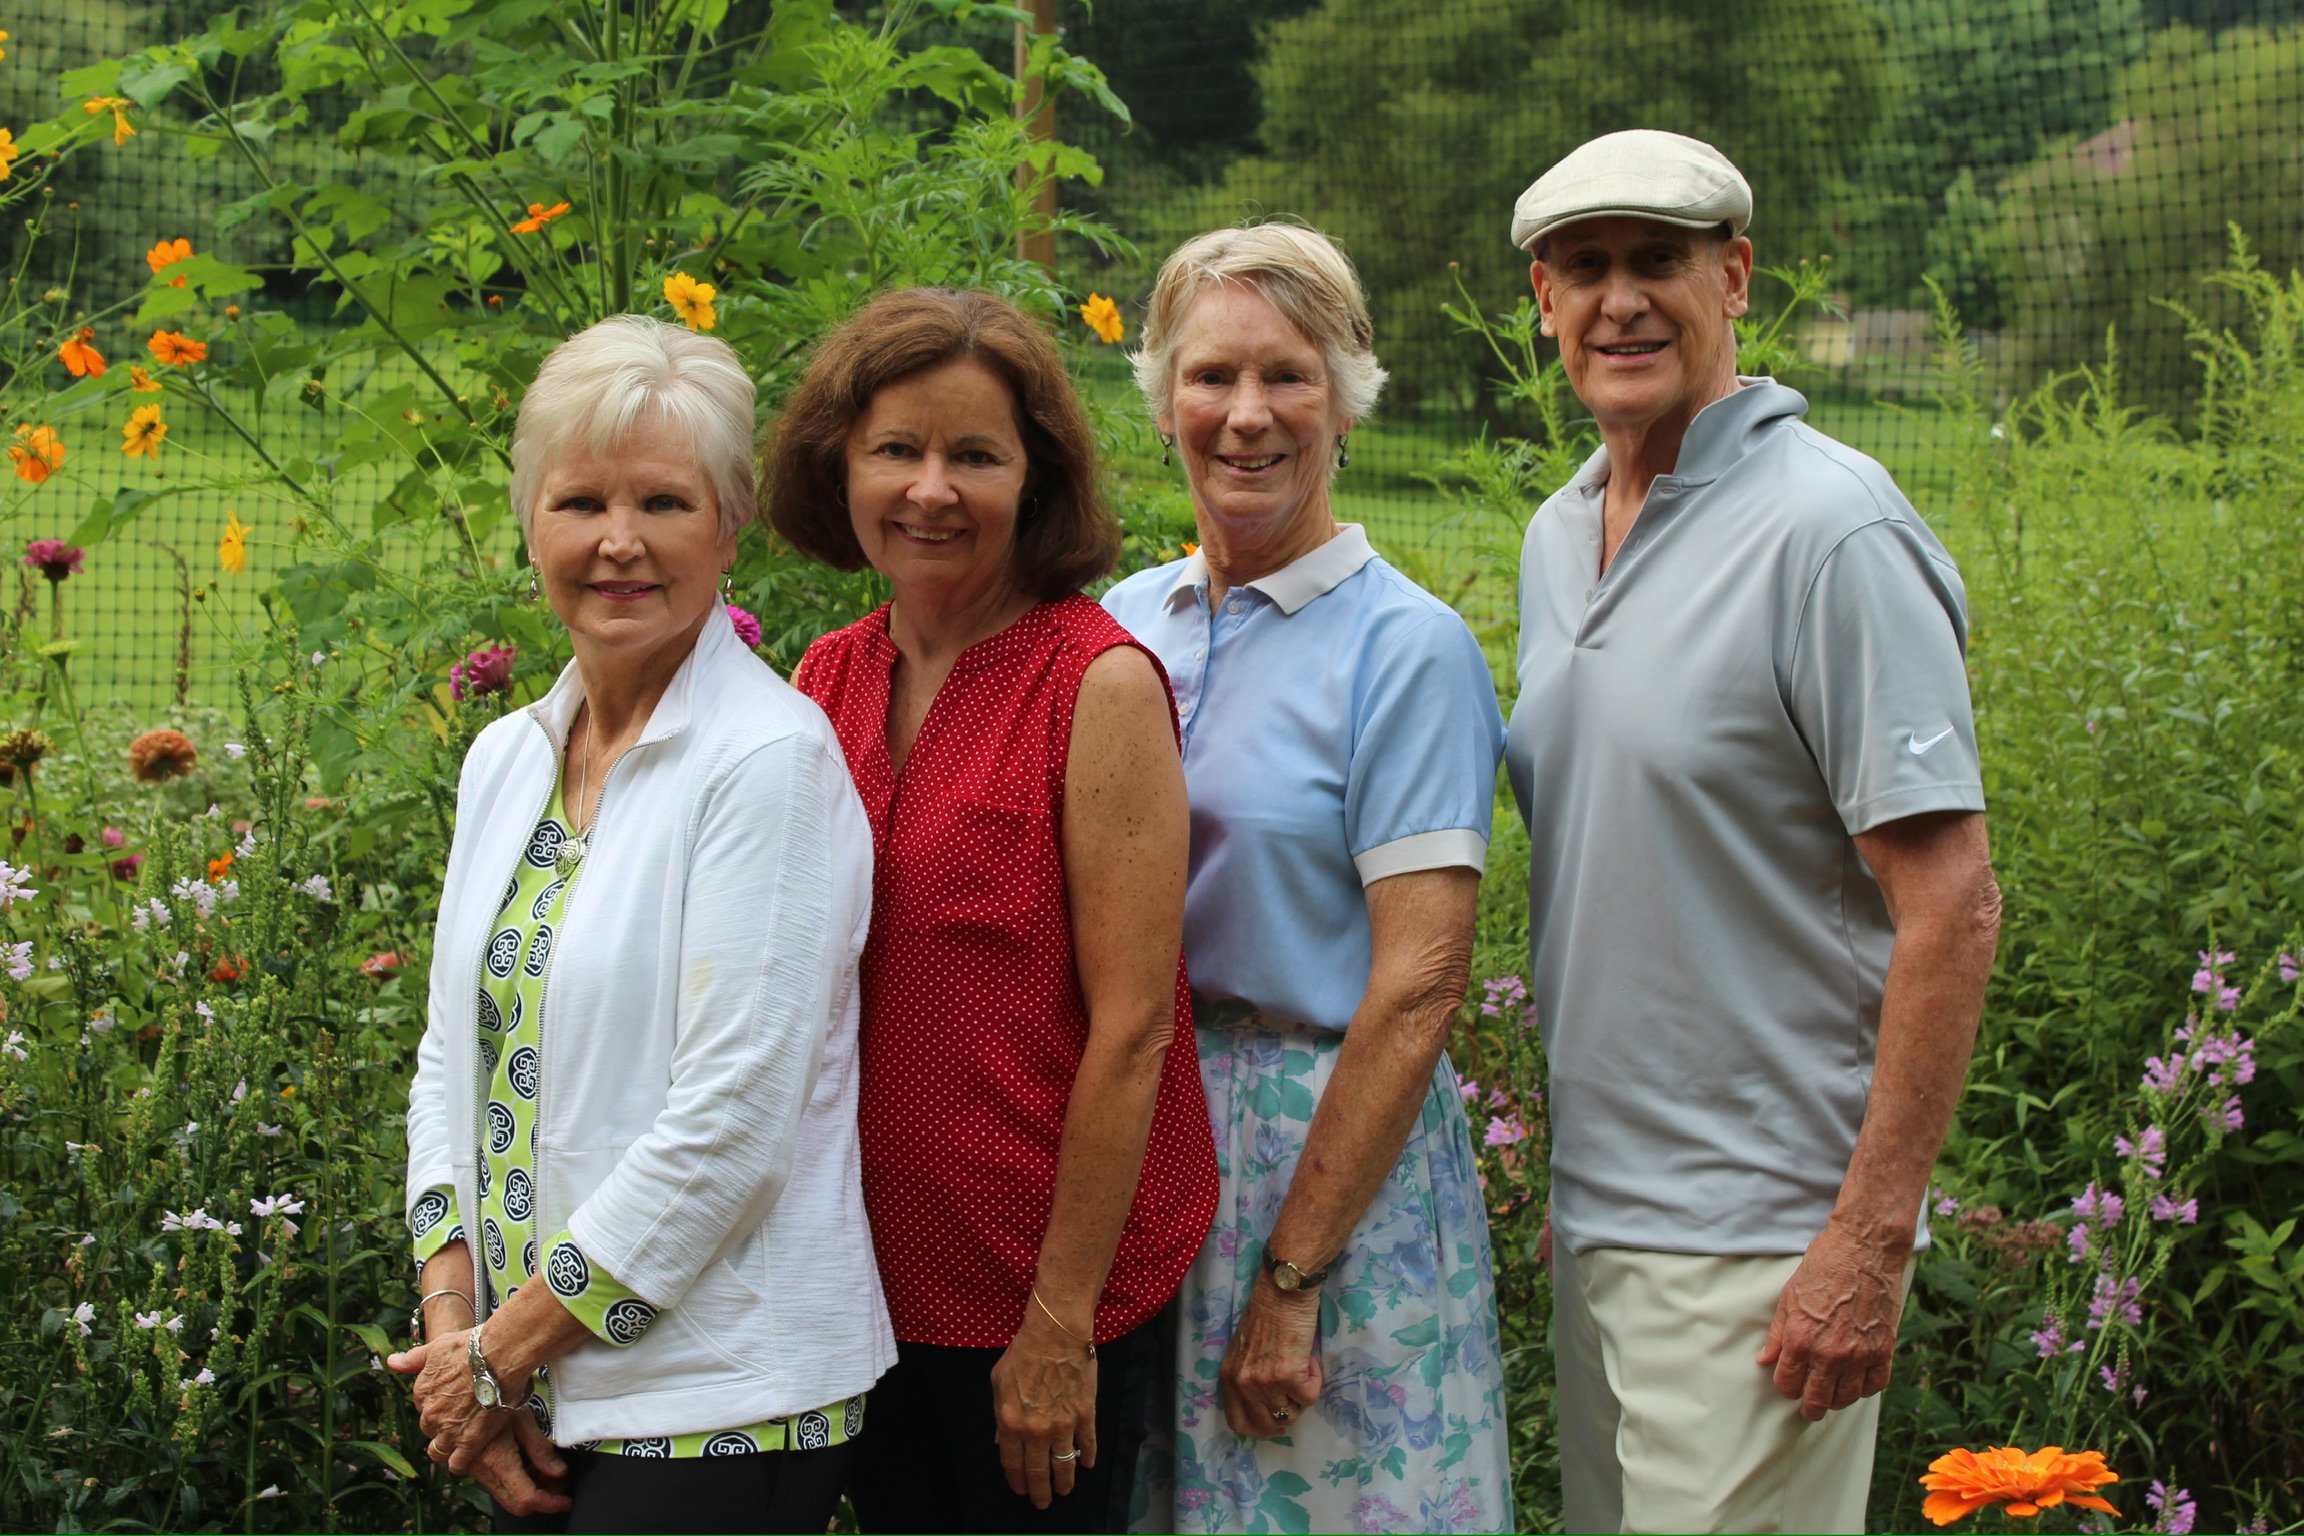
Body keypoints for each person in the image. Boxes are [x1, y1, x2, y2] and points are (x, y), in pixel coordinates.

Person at [1503, 129, 2003, 1533]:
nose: (1621, 301)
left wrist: (1866, 1241)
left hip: (1768, 1248)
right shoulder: (1557, 539)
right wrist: (1578, 1176)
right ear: (1542, 299)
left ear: (1734, 278)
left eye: (1657, 261)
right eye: (1585, 268)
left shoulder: (1830, 533)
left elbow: (1952, 907)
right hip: (1603, 1225)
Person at [389, 314, 892, 1534]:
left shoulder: (766, 759)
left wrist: (495, 1362)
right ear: (531, 523)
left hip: (716, 1405)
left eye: (664, 503)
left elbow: (731, 1128)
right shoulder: (507, 759)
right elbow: (450, 1057)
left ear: (729, 525)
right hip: (533, 1391)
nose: (619, 543)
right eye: (580, 503)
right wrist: (456, 1323)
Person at [768, 287, 1219, 1534]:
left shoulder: (1098, 684)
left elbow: (1134, 1027)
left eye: (975, 455)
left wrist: (1059, 1325)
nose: (930, 489)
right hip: (863, 1282)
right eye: (895, 451)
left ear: (1037, 479)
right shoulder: (827, 677)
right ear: (838, 466)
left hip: (1039, 1287)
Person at [1103, 223, 1514, 1534]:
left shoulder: (1406, 649)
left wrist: (1292, 1276)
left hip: (1325, 1154)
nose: (1247, 415)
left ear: (1345, 398)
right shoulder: (1121, 627)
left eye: (1287, 375)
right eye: (1211, 375)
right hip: (1144, 1138)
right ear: (1165, 396)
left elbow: (1421, 984)